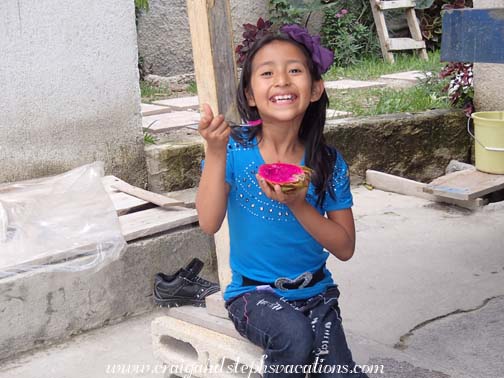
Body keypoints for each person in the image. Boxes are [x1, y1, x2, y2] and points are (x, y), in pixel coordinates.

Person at [196, 24, 368, 378]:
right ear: (251, 94)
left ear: (316, 88)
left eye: (295, 70)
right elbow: (209, 222)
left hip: (317, 293)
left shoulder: (328, 162)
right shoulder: (233, 150)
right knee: (294, 336)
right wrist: (214, 151)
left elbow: (345, 247)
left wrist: (298, 203)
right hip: (252, 295)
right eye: (267, 72)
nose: (282, 80)